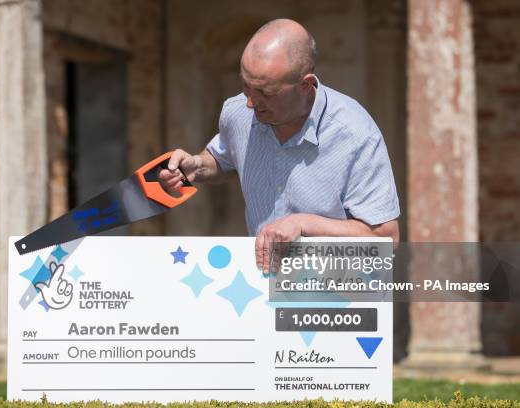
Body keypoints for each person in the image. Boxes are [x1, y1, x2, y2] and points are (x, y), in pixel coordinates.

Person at [159, 18, 400, 272]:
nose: (251, 102)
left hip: (340, 294)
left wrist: (303, 224)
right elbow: (223, 159)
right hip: (260, 287)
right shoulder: (237, 112)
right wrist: (195, 167)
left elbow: (386, 239)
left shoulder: (355, 134)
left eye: (266, 92)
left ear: (305, 85)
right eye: (245, 85)